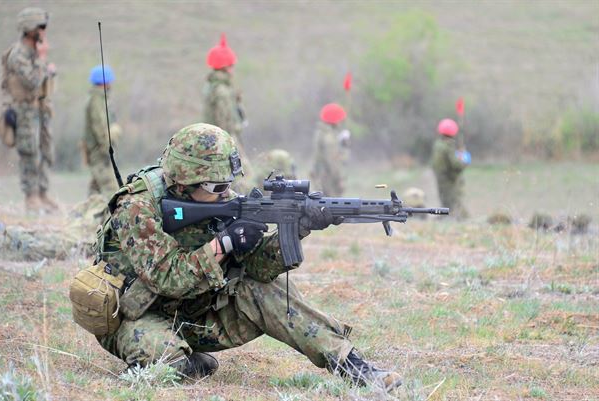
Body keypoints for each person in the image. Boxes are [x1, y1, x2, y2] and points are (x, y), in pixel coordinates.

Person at [91, 123, 401, 390]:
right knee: (168, 366)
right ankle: (181, 358)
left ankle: (353, 366)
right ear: (186, 180)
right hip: (133, 316)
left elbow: (258, 268)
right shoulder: (138, 206)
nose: (227, 193)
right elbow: (165, 277)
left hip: (192, 309)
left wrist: (299, 228)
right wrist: (224, 243)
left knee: (264, 289)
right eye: (218, 186)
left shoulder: (220, 200)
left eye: (229, 184)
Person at [0, 7, 58, 212]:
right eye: (40, 27)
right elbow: (32, 81)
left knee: (45, 150)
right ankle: (31, 196)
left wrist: (47, 67)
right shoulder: (18, 55)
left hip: (39, 108)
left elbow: (44, 79)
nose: (44, 31)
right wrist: (43, 61)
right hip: (24, 111)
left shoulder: (33, 52)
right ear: (29, 28)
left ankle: (42, 193)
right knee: (30, 152)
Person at [0, 195, 107, 261]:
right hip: (75, 239)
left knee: (46, 242)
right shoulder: (104, 206)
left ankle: (0, 238)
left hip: (76, 238)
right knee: (48, 245)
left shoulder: (104, 207)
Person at [202, 34, 252, 193]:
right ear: (226, 67)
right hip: (226, 143)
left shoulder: (213, 88)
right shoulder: (222, 92)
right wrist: (237, 127)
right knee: (244, 178)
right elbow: (225, 125)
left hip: (215, 142)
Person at [82, 65, 122, 197]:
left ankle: (85, 214)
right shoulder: (97, 101)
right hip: (99, 152)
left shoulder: (100, 99)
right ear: (105, 82)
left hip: (98, 150)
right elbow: (100, 128)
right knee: (112, 188)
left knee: (95, 189)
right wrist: (107, 150)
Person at [431, 118, 470, 220]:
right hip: (450, 179)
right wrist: (464, 162)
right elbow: (455, 164)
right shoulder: (448, 146)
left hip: (441, 177)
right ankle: (456, 218)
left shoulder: (438, 144)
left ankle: (449, 217)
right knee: (453, 202)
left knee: (445, 200)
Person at [310, 103, 351, 197]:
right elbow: (333, 161)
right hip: (329, 180)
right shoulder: (329, 137)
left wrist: (342, 142)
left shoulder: (321, 132)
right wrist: (340, 180)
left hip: (321, 177)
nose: (341, 122)